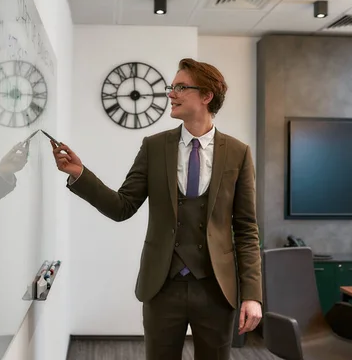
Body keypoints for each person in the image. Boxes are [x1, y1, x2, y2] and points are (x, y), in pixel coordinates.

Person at [51, 58, 262, 360]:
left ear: (206, 96)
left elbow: (246, 229)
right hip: (163, 286)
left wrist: (252, 294)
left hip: (217, 289)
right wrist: (80, 174)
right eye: (171, 87)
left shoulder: (239, 153)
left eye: (180, 87)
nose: (171, 94)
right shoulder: (154, 147)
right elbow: (122, 206)